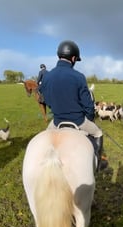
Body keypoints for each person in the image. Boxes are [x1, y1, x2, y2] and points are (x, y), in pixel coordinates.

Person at [39, 40, 108, 171]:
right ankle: (98, 163)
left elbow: (45, 100)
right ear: (73, 58)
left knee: (45, 141)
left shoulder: (46, 77)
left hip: (57, 121)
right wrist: (89, 118)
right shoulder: (79, 76)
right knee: (98, 133)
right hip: (78, 121)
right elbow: (88, 106)